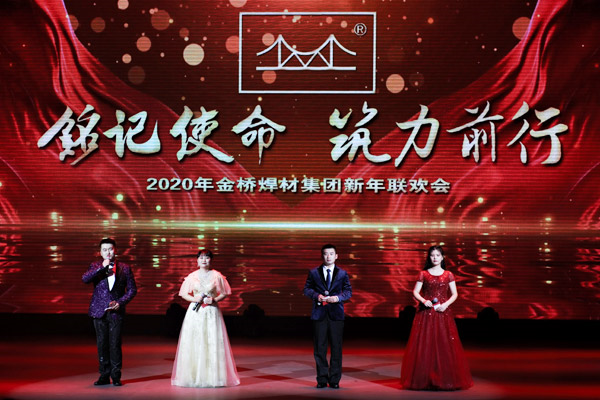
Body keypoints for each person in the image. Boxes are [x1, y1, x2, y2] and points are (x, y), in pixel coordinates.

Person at [400, 245, 473, 390]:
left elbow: (455, 294)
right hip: (426, 314)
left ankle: (444, 378)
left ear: (442, 257)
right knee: (425, 345)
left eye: (437, 255)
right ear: (429, 257)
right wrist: (423, 300)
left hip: (442, 313)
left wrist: (445, 305)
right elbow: (415, 291)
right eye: (432, 255)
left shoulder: (448, 274)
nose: (435, 258)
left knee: (444, 345)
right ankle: (424, 378)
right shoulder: (423, 274)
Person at [171, 250, 240, 387]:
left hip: (211, 311)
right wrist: (194, 298)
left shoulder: (217, 275)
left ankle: (212, 377)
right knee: (194, 341)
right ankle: (193, 376)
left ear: (211, 260)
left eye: (207, 257)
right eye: (201, 257)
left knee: (211, 341)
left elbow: (225, 292)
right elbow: (184, 294)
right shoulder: (192, 276)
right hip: (195, 312)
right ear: (197, 260)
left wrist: (214, 300)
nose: (204, 260)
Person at [82, 238, 137, 386]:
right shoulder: (95, 266)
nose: (108, 252)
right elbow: (85, 279)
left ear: (115, 250)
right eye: (105, 250)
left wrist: (120, 302)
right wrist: (102, 267)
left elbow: (132, 290)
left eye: (110, 249)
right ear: (100, 252)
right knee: (102, 344)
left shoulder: (125, 268)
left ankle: (116, 375)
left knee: (115, 344)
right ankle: (104, 375)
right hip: (98, 310)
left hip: (115, 312)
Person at [303, 244, 352, 389]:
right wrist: (316, 296)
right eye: (325, 254)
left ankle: (335, 379)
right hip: (319, 314)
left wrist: (337, 298)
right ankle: (322, 379)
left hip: (336, 314)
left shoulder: (342, 273)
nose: (328, 256)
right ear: (322, 256)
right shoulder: (314, 272)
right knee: (320, 348)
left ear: (336, 256)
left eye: (331, 254)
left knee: (336, 348)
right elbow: (307, 289)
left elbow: (348, 292)